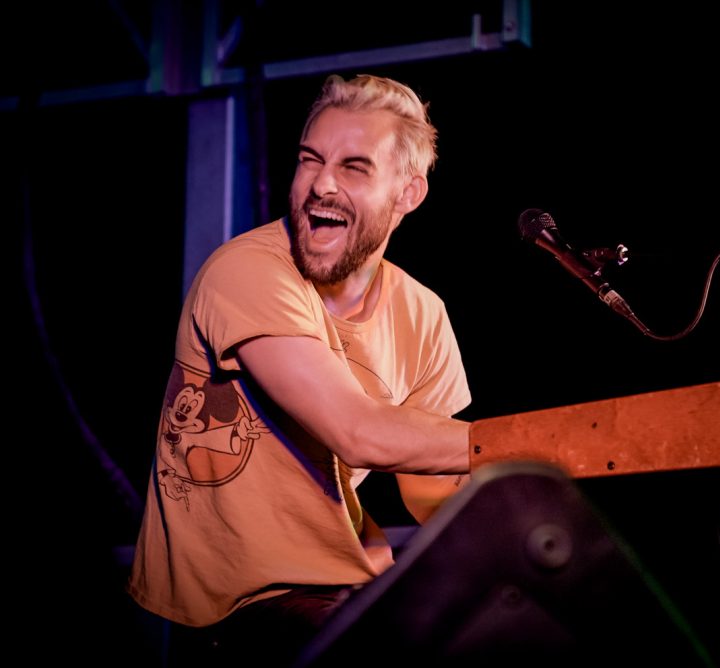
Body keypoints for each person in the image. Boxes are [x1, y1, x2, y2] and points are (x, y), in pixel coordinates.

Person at [128, 73, 472, 665]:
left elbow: (434, 488)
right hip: (242, 607)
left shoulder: (422, 313)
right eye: (311, 160)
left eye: (354, 167)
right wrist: (544, 445)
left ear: (407, 194)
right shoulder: (248, 271)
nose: (321, 185)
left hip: (350, 584)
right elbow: (358, 432)